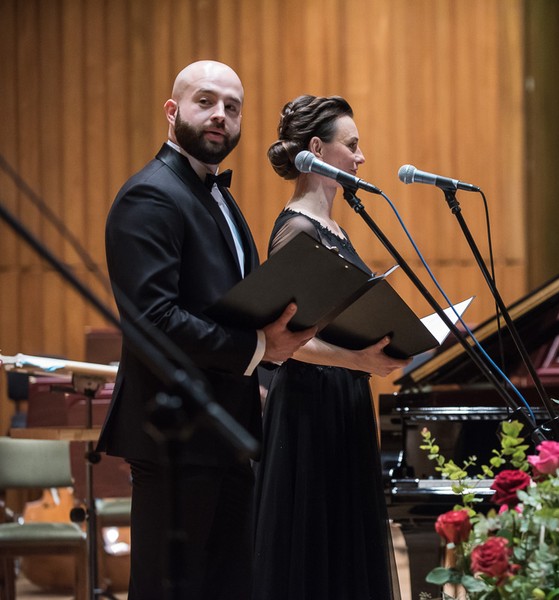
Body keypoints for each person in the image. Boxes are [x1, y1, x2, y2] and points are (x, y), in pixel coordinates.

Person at [99, 60, 316, 600]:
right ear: (172, 111)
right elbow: (154, 321)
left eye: (233, 107)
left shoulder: (215, 196)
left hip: (229, 430)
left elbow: (230, 302)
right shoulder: (149, 195)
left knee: (228, 586)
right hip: (176, 435)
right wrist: (260, 348)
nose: (221, 115)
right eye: (206, 101)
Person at [252, 95, 410, 600]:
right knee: (312, 552)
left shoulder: (334, 225)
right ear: (318, 149)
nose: (361, 158)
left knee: (344, 545)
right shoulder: (296, 226)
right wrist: (359, 359)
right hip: (308, 407)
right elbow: (288, 342)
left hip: (341, 399)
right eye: (352, 145)